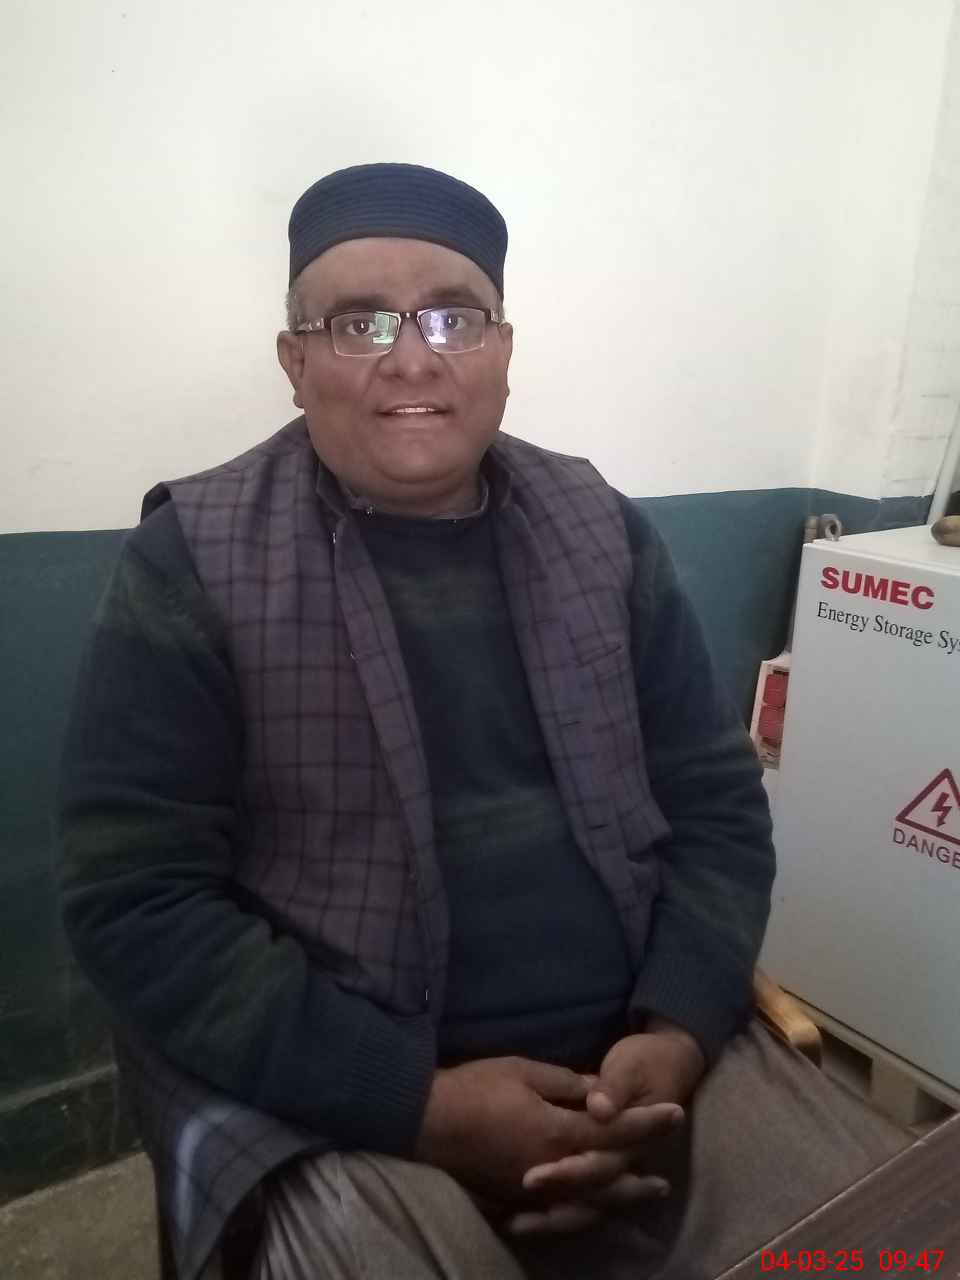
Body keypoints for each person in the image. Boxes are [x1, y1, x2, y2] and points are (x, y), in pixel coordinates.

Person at [59, 164, 907, 1280]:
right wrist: (416, 1104)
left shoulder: (601, 529)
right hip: (343, 1093)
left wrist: (678, 1032)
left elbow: (715, 805)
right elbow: (136, 899)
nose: (414, 358)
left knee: (889, 1240)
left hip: (644, 1057)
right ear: (294, 361)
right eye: (359, 321)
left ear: (503, 351)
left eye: (453, 316)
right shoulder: (193, 560)